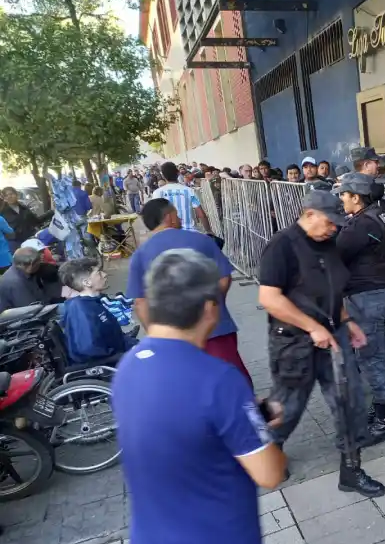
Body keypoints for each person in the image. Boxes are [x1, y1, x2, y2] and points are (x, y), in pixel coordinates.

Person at [114, 249, 287, 544]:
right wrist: (254, 421)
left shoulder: (128, 367)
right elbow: (271, 474)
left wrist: (239, 415)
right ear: (210, 309)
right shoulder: (219, 380)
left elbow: (180, 424)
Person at [257, 190, 385, 497]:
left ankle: (351, 471)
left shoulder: (327, 244)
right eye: (330, 222)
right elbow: (269, 299)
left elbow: (333, 289)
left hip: (333, 336)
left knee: (349, 400)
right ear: (310, 214)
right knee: (286, 406)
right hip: (294, 340)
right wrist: (312, 327)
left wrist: (346, 320)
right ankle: (265, 453)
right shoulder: (281, 246)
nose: (334, 229)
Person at [128, 198, 250, 383]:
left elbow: (140, 302)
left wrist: (156, 335)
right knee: (233, 382)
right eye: (176, 214)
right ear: (169, 217)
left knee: (191, 385)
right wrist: (212, 303)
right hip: (215, 330)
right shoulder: (200, 240)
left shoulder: (140, 255)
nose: (180, 218)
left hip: (173, 336)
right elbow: (224, 278)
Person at [336, 173, 385, 445]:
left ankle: (384, 421)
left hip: (367, 297)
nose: (341, 199)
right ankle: (379, 409)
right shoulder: (374, 215)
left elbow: (334, 253)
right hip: (374, 292)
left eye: (344, 194)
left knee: (372, 357)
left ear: (356, 198)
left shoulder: (361, 225)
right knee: (376, 354)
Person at [59, 257, 138, 366]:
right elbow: (89, 350)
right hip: (107, 362)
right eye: (99, 273)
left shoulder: (92, 302)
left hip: (118, 348)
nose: (104, 275)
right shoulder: (82, 311)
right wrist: (123, 354)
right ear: (87, 282)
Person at [152, 161, 211, 233]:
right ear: (178, 173)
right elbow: (201, 214)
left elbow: (155, 217)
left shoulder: (157, 193)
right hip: (189, 233)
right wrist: (209, 231)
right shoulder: (189, 191)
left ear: (163, 176)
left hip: (168, 234)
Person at [0, 248, 53, 312]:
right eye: (38, 263)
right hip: (23, 317)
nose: (40, 265)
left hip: (37, 307)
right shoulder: (15, 282)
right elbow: (30, 309)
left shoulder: (24, 271)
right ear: (31, 265)